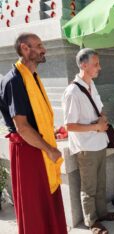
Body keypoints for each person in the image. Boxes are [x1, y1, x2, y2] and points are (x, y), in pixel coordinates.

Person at [0, 33, 67, 233]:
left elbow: (34, 118)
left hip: (38, 146)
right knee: (35, 209)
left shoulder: (32, 77)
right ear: (25, 48)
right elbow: (22, 126)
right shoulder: (14, 80)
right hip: (29, 152)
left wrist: (49, 130)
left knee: (47, 202)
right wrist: (50, 149)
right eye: (38, 45)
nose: (43, 49)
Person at [62, 48, 114, 234]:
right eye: (96, 64)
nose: (99, 68)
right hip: (86, 147)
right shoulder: (72, 92)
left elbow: (99, 108)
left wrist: (102, 119)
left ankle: (102, 213)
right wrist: (96, 127)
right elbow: (69, 126)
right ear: (83, 65)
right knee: (89, 187)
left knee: (101, 183)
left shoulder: (91, 85)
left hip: (100, 142)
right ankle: (91, 221)